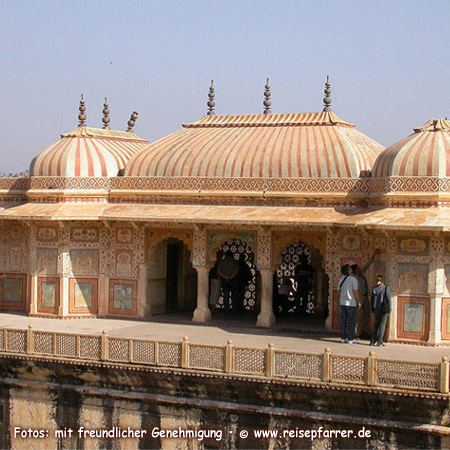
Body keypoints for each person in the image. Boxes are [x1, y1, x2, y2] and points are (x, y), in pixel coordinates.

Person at [351, 248, 380, 338]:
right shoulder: (353, 278)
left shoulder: (361, 274)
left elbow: (367, 265)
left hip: (364, 296)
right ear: (355, 270)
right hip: (358, 298)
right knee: (357, 317)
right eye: (358, 268)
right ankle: (356, 334)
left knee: (367, 314)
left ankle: (365, 331)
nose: (360, 268)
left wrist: (374, 255)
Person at [338, 264, 361, 344]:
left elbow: (339, 292)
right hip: (351, 303)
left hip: (342, 302)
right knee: (352, 321)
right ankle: (350, 338)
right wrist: (358, 302)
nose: (352, 270)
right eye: (350, 269)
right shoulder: (353, 279)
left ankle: (343, 338)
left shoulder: (341, 280)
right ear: (348, 271)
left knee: (343, 321)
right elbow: (355, 291)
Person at [370, 275, 391, 346]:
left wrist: (372, 309)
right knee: (382, 325)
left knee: (376, 325)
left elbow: (372, 299)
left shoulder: (374, 288)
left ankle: (372, 341)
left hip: (376, 308)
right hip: (383, 308)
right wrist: (390, 309)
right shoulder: (385, 288)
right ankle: (379, 341)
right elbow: (388, 299)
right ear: (382, 281)